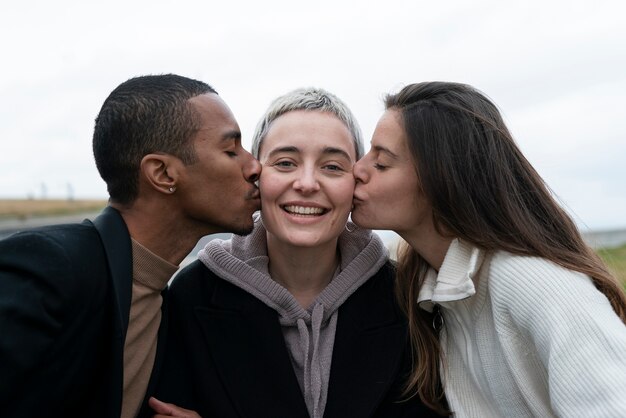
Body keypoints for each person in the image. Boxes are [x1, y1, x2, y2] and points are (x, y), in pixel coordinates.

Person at [151, 87, 440, 418]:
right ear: (256, 175)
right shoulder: (193, 295)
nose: (307, 183)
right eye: (285, 163)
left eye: (332, 167)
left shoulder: (408, 299)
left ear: (355, 183)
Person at [351, 81, 626, 417]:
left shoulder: (534, 283)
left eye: (381, 163)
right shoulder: (424, 284)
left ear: (441, 180)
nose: (358, 170)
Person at [0, 74, 261, 418]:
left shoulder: (173, 302)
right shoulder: (51, 268)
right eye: (231, 151)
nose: (255, 166)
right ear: (163, 174)